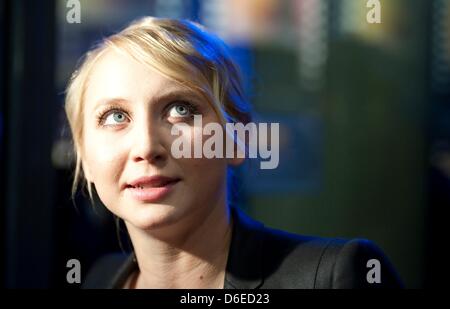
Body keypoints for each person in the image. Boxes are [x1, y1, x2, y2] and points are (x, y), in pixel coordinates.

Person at [65, 17, 403, 289]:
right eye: (115, 117)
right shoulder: (100, 277)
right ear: (84, 154)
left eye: (180, 110)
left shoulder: (334, 277)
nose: (146, 147)